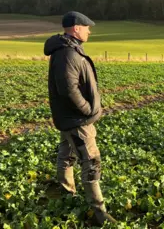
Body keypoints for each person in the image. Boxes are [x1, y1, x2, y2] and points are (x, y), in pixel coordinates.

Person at [44, 11, 116, 226]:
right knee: (91, 161)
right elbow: (68, 88)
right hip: (77, 121)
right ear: (76, 28)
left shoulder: (67, 49)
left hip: (69, 119)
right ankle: (99, 212)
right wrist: (87, 110)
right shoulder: (68, 53)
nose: (89, 31)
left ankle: (67, 194)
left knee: (66, 154)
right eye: (87, 27)